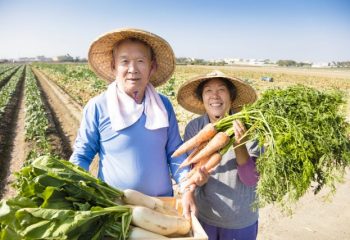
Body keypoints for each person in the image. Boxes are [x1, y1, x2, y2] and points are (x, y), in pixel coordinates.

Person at [69, 28, 196, 216]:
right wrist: (71, 187)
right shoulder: (98, 106)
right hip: (115, 207)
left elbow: (175, 152)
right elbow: (82, 154)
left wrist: (186, 187)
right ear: (114, 66)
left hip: (162, 205)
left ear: (151, 67)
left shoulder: (163, 105)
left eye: (140, 61)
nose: (132, 69)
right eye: (124, 61)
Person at [177, 70, 262, 240]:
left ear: (231, 97)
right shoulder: (195, 127)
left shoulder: (251, 129)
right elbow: (194, 170)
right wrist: (198, 180)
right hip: (204, 216)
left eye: (221, 90)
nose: (214, 96)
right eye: (208, 90)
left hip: (240, 220)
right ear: (202, 98)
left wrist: (240, 144)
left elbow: (251, 179)